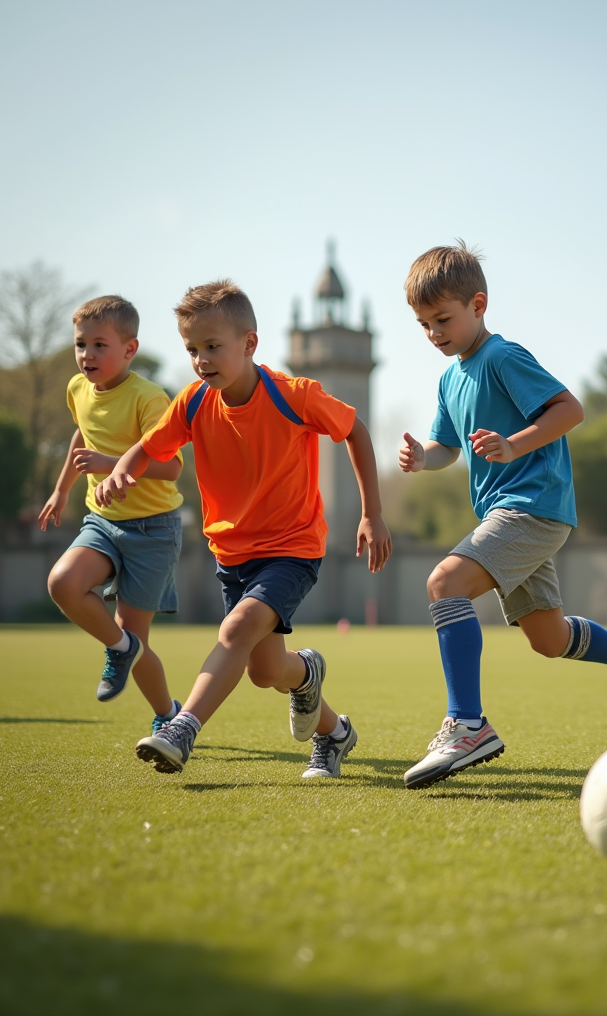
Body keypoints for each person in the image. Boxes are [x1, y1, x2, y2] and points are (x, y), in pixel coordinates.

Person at [399, 242, 607, 790]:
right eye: (423, 324)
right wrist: (421, 460)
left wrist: (514, 445)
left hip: (531, 508)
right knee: (548, 638)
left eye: (442, 319)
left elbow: (569, 409)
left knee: (445, 582)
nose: (434, 332)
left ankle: (468, 725)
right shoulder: (449, 378)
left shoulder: (502, 357)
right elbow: (447, 448)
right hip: (507, 515)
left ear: (478, 305)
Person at [94, 280, 391, 778]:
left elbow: (354, 430)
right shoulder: (192, 402)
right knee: (266, 671)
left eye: (213, 347)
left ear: (249, 344)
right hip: (232, 554)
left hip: (293, 548)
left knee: (234, 629)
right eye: (192, 349)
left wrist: (372, 513)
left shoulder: (293, 396)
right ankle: (331, 726)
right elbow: (151, 445)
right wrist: (124, 467)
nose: (201, 359)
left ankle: (181, 728)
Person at [39, 295, 184, 734]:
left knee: (136, 637)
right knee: (63, 583)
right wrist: (61, 490)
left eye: (100, 345)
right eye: (81, 344)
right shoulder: (76, 389)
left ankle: (167, 716)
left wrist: (110, 463)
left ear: (129, 350)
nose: (87, 355)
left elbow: (172, 467)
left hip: (153, 530)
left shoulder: (149, 398)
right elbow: (82, 435)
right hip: (101, 521)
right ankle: (119, 648)